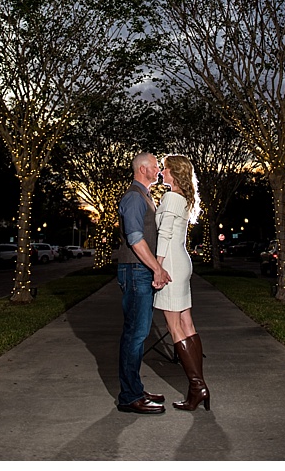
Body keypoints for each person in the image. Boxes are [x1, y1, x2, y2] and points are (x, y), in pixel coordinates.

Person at [153, 154, 210, 411]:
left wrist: (157, 268)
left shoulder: (172, 198)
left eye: (164, 169)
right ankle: (199, 387)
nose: (161, 173)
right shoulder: (184, 200)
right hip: (182, 261)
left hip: (172, 264)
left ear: (174, 172)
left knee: (174, 326)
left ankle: (197, 387)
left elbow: (164, 235)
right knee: (187, 322)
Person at [116, 152, 171, 415]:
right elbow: (135, 239)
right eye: (156, 167)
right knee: (134, 335)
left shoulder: (144, 196)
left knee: (138, 334)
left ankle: (134, 388)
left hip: (140, 271)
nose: (159, 170)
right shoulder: (134, 198)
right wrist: (157, 268)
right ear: (142, 169)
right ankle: (129, 397)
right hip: (136, 271)